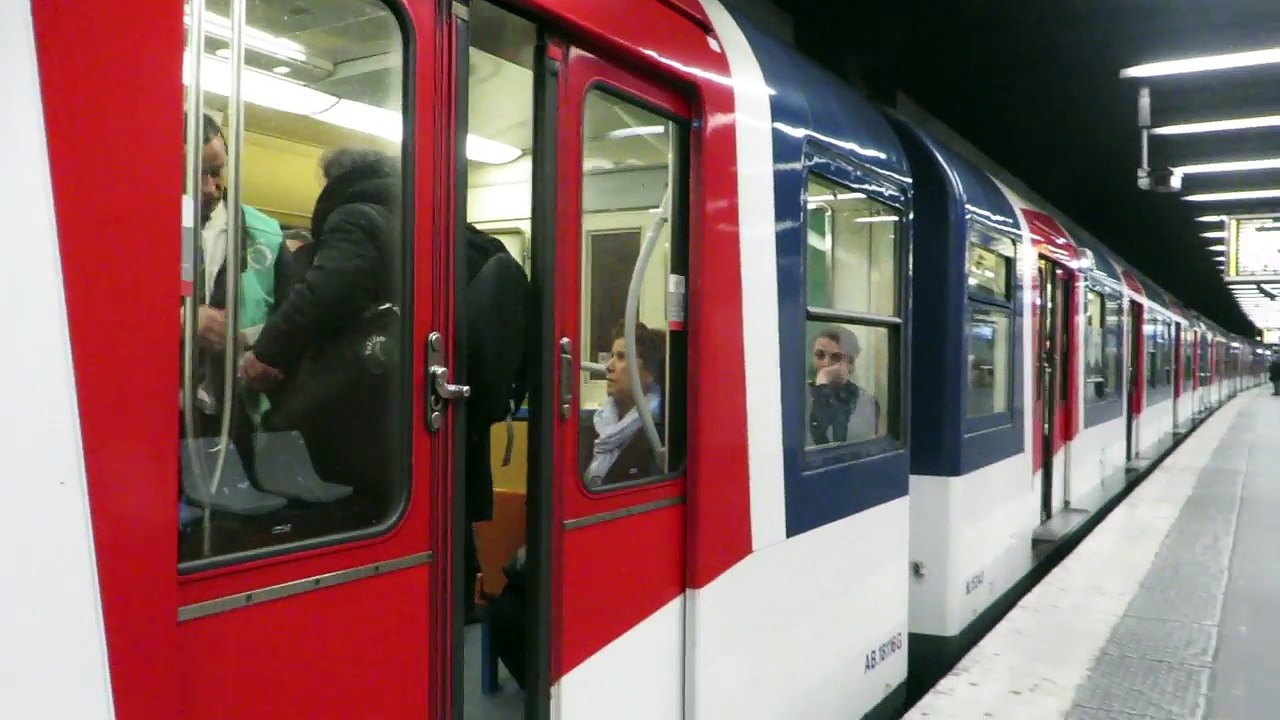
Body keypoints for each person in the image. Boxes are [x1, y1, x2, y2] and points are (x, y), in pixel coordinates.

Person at [244, 147, 400, 498]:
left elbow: (323, 295)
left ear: (337, 181)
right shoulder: (410, 221)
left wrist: (266, 352)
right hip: (390, 405)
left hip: (345, 405)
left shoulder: (355, 217)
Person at [583, 322, 665, 488]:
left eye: (621, 357)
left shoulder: (660, 434)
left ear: (649, 372)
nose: (608, 366)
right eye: (611, 356)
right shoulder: (591, 424)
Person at [807, 325, 880, 446]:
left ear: (850, 363)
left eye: (836, 357)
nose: (826, 363)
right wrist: (822, 385)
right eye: (820, 355)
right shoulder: (799, 397)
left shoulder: (867, 401)